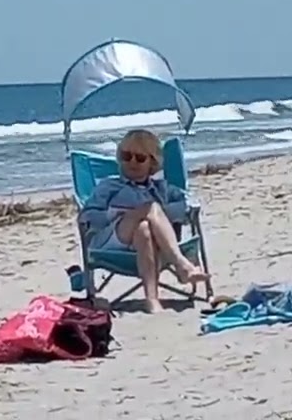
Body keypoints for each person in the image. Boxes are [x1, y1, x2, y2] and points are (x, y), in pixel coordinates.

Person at [77, 129, 209, 312]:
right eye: (126, 156)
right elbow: (87, 215)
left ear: (152, 162)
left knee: (144, 228)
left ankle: (151, 299)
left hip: (153, 243)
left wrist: (158, 214)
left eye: (140, 158)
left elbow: (186, 206)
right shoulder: (109, 186)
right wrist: (113, 214)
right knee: (150, 207)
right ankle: (181, 264)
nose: (132, 162)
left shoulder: (162, 189)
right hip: (114, 241)